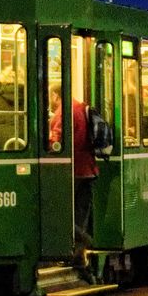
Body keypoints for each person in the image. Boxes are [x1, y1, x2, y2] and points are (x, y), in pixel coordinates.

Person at [49, 87, 99, 272]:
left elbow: (56, 140)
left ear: (56, 95)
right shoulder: (81, 107)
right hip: (88, 168)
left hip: (73, 170)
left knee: (61, 212)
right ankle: (79, 255)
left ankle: (87, 241)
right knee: (80, 214)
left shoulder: (64, 111)